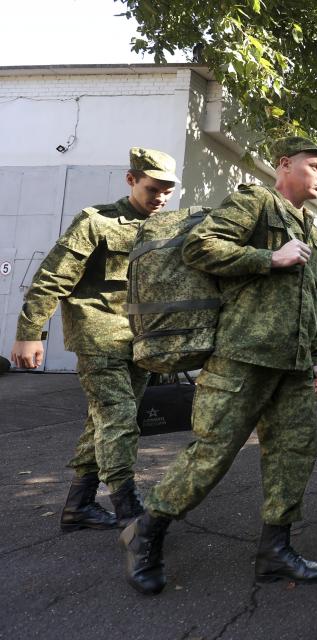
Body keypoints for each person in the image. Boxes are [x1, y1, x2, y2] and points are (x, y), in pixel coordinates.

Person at [119, 136, 317, 595]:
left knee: (294, 456)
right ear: (284, 166)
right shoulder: (254, 202)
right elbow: (199, 247)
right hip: (241, 357)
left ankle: (275, 550)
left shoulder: (310, 229)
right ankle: (146, 532)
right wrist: (268, 257)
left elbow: (310, 298)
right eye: (314, 166)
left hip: (292, 367)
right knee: (212, 454)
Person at [10, 148, 178, 531]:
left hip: (140, 340)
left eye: (168, 191)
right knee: (119, 419)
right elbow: (52, 278)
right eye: (154, 189)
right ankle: (128, 508)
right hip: (98, 336)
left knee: (102, 421)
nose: (161, 198)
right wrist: (29, 334)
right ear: (131, 179)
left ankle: (78, 506)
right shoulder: (95, 221)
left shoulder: (162, 227)